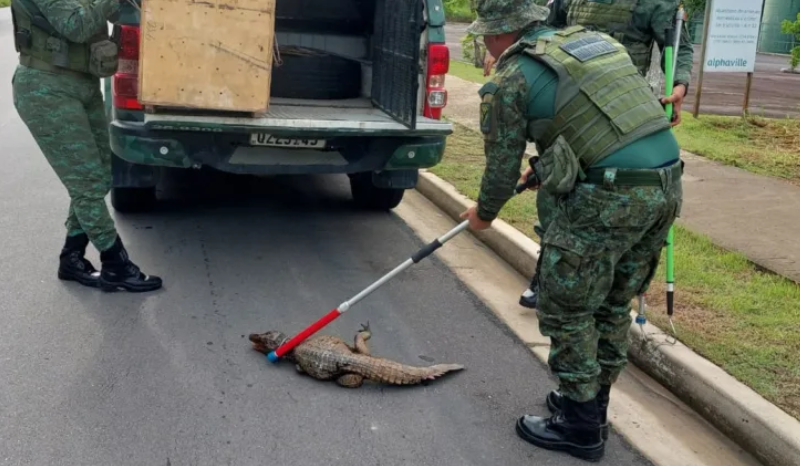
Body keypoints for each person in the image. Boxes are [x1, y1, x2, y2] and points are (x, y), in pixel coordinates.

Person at [459, 0, 683, 461]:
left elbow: (500, 172)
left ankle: (580, 427)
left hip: (610, 197)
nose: (485, 45)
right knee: (612, 304)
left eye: (485, 36)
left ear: (500, 33)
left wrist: (484, 215)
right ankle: (591, 406)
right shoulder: (593, 43)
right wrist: (551, 164)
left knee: (567, 308)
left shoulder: (510, 79)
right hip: (666, 184)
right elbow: (599, 120)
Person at [513, 0, 693, 311]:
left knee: (607, 203)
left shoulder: (653, 3)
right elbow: (544, 31)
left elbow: (677, 48)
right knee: (553, 193)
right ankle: (547, 277)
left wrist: (679, 87)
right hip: (570, 108)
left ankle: (606, 289)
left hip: (622, 116)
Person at [11, 0, 163, 293]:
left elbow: (117, 13)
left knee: (101, 177)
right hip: (47, 88)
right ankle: (115, 263)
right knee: (87, 185)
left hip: (84, 83)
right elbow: (76, 25)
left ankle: (72, 257)